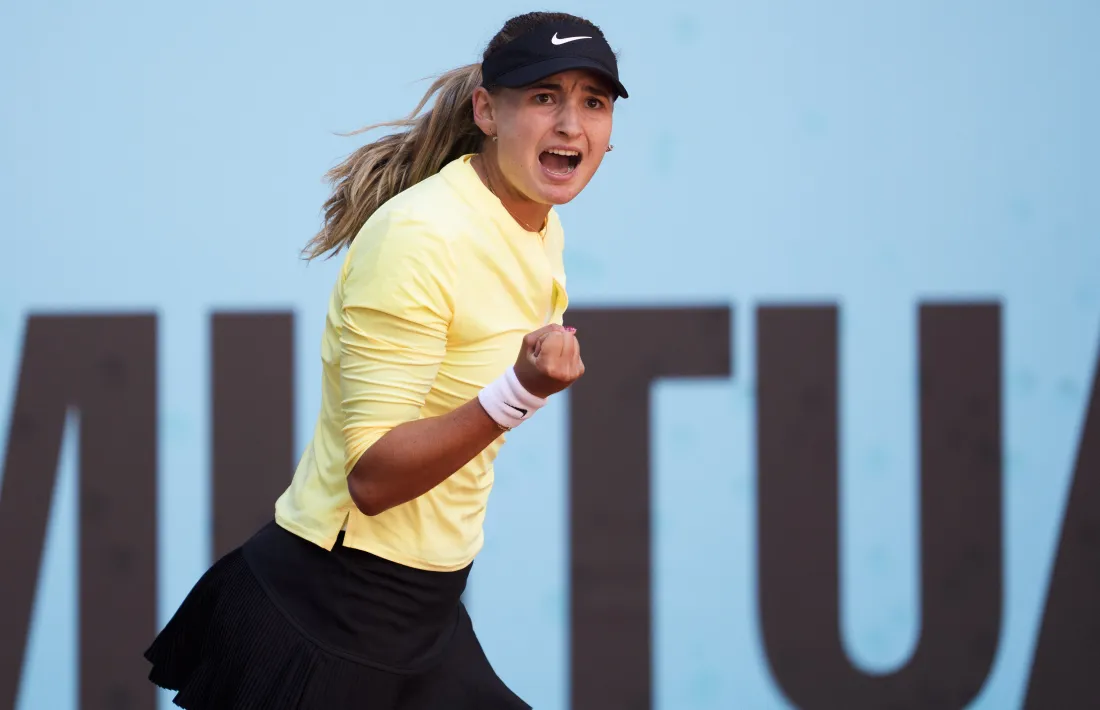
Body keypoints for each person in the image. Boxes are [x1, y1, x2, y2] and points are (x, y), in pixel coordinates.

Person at [144, 10, 628, 709]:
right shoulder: (421, 237)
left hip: (423, 620)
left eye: (594, 102)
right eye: (544, 96)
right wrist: (517, 392)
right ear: (488, 111)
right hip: (327, 617)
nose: (571, 124)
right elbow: (371, 476)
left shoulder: (535, 222)